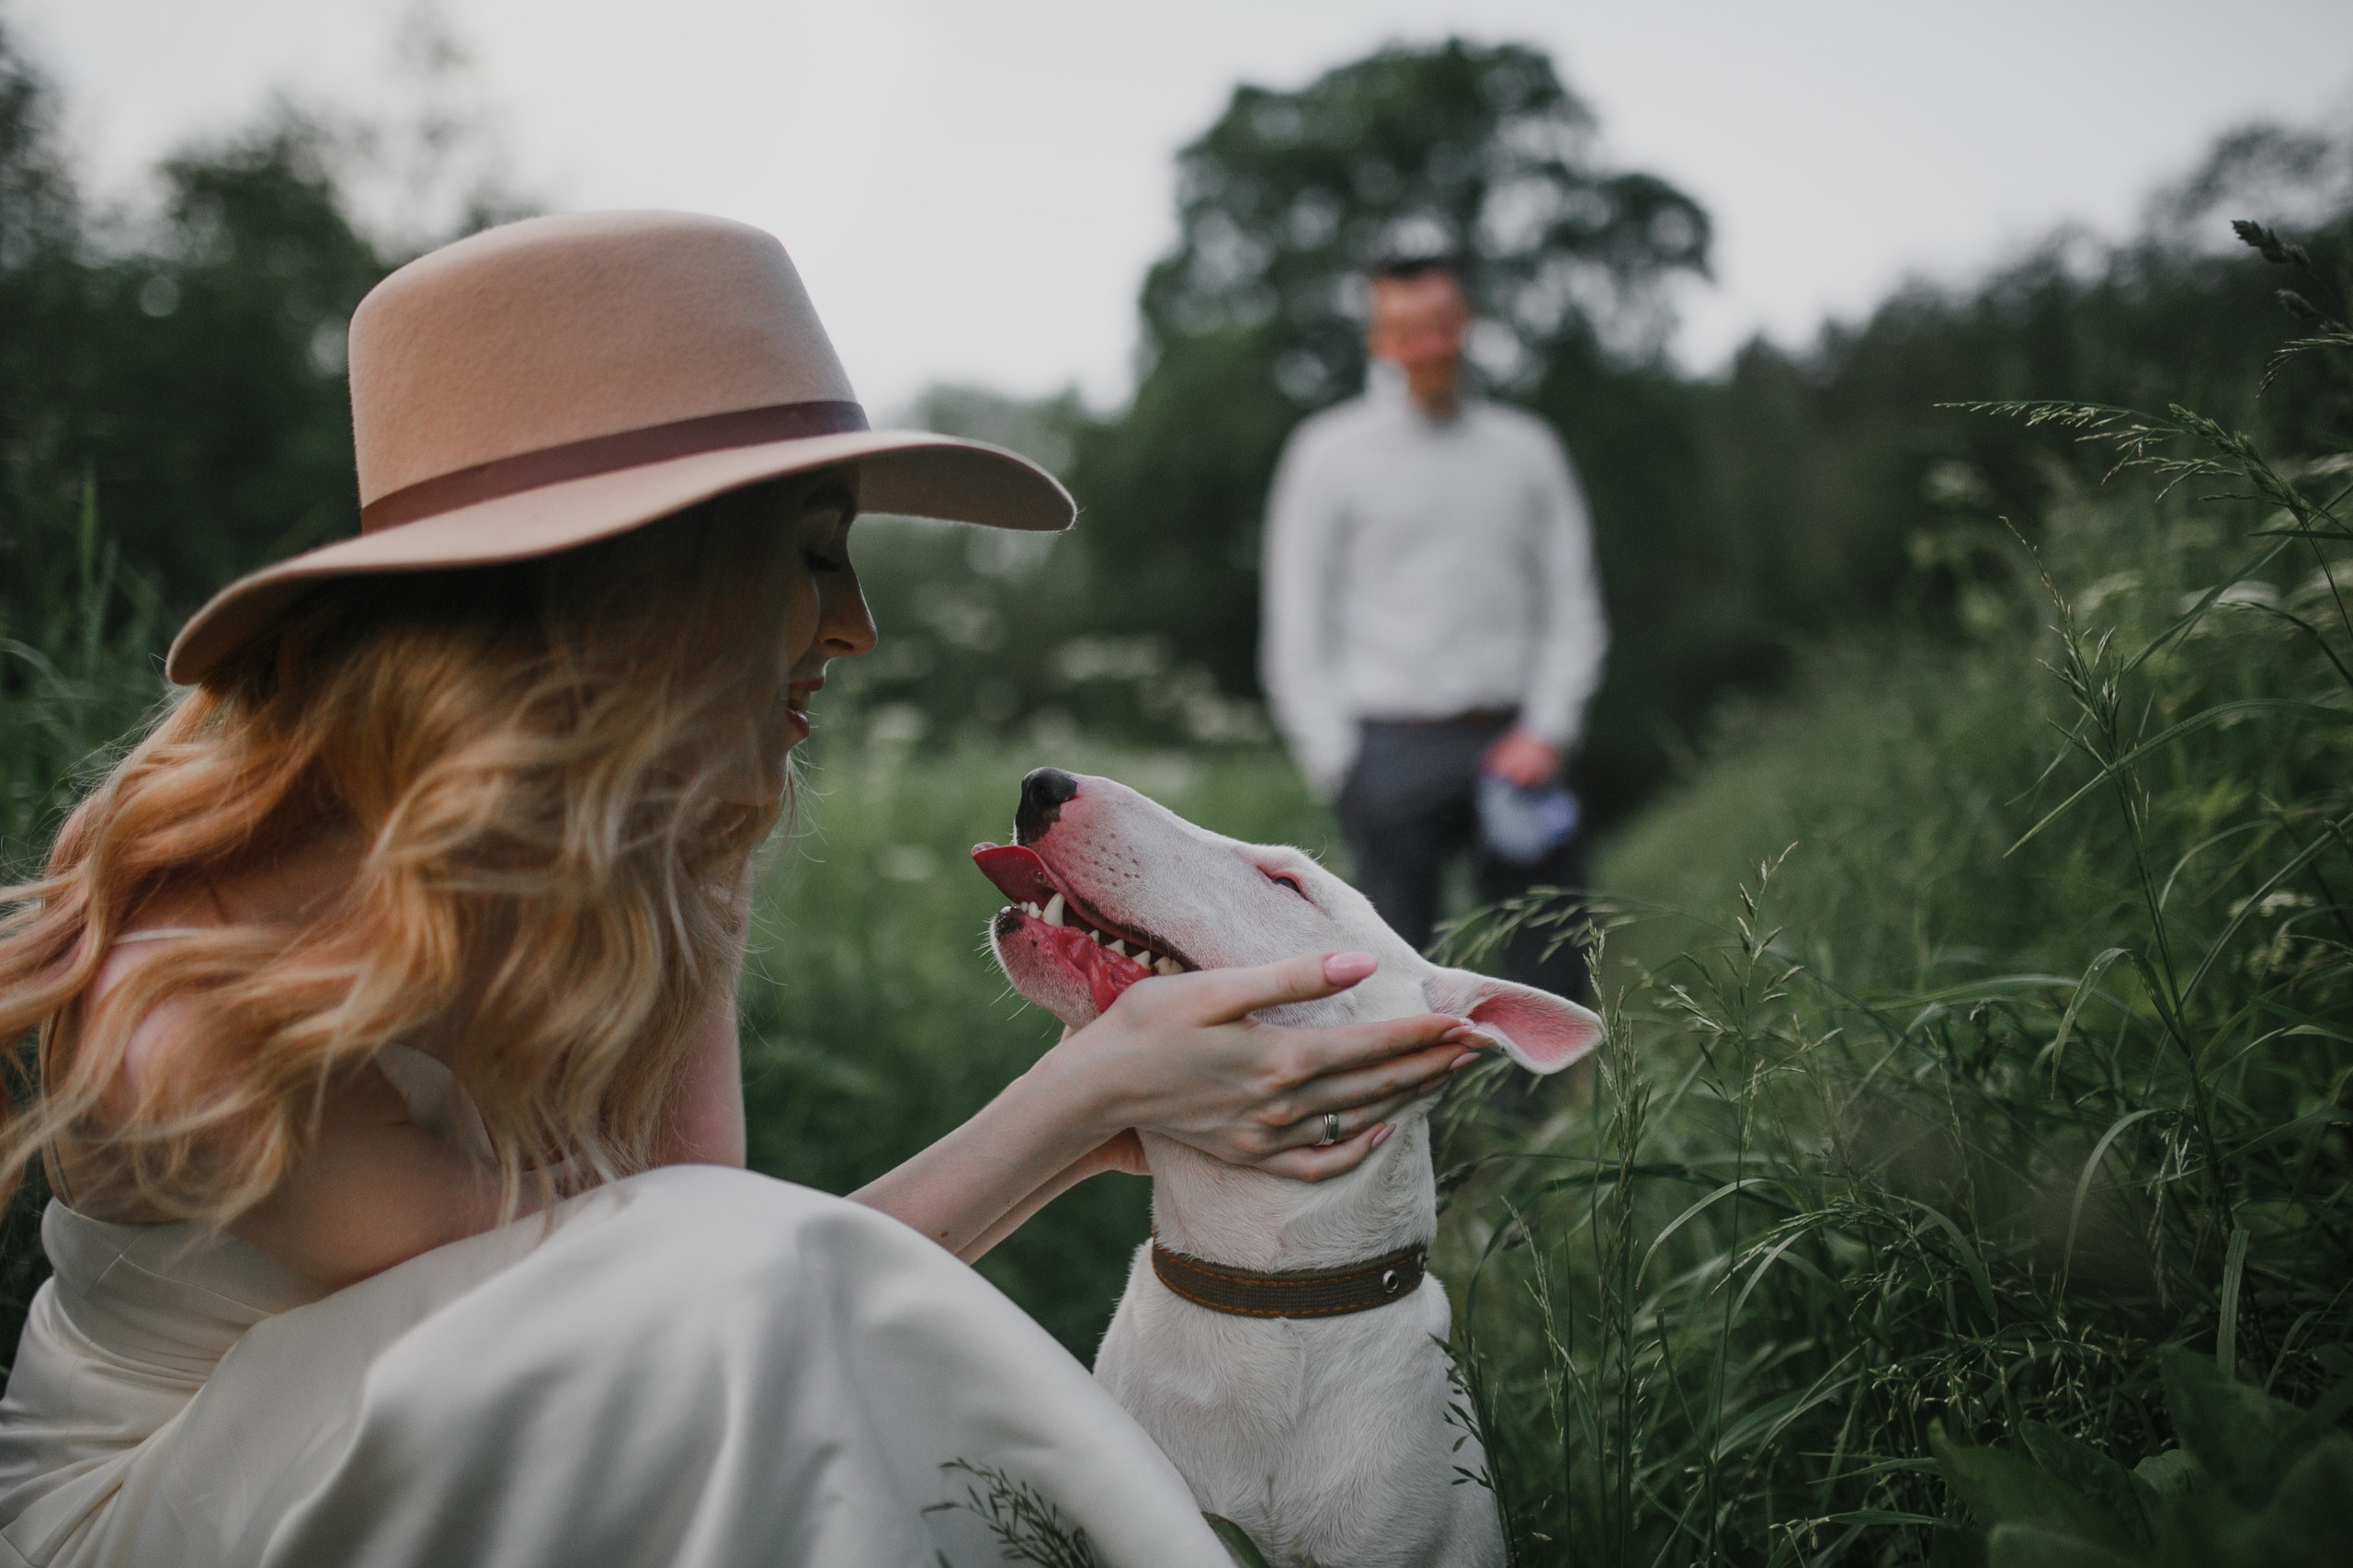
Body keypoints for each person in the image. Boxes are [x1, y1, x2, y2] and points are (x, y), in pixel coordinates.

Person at [0, 212, 1484, 1568]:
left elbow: (729, 1314)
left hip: (508, 1442)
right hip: (169, 1508)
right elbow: (653, 1325)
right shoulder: (194, 995)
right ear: (637, 581)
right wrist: (1084, 1097)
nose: (860, 627)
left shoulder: (661, 857)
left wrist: (1098, 1110)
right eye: (814, 558)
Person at [1260, 256, 1608, 999]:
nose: (1427, 345)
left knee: (1552, 964)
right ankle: (1423, 1119)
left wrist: (1550, 728)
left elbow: (1572, 605)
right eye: (1405, 331)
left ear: (1465, 327)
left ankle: (1541, 1115)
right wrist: (1339, 763)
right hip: (1386, 747)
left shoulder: (1528, 450)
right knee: (1388, 982)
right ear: (1379, 341)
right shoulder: (1327, 453)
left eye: (1440, 327)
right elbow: (1296, 622)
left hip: (1516, 745)